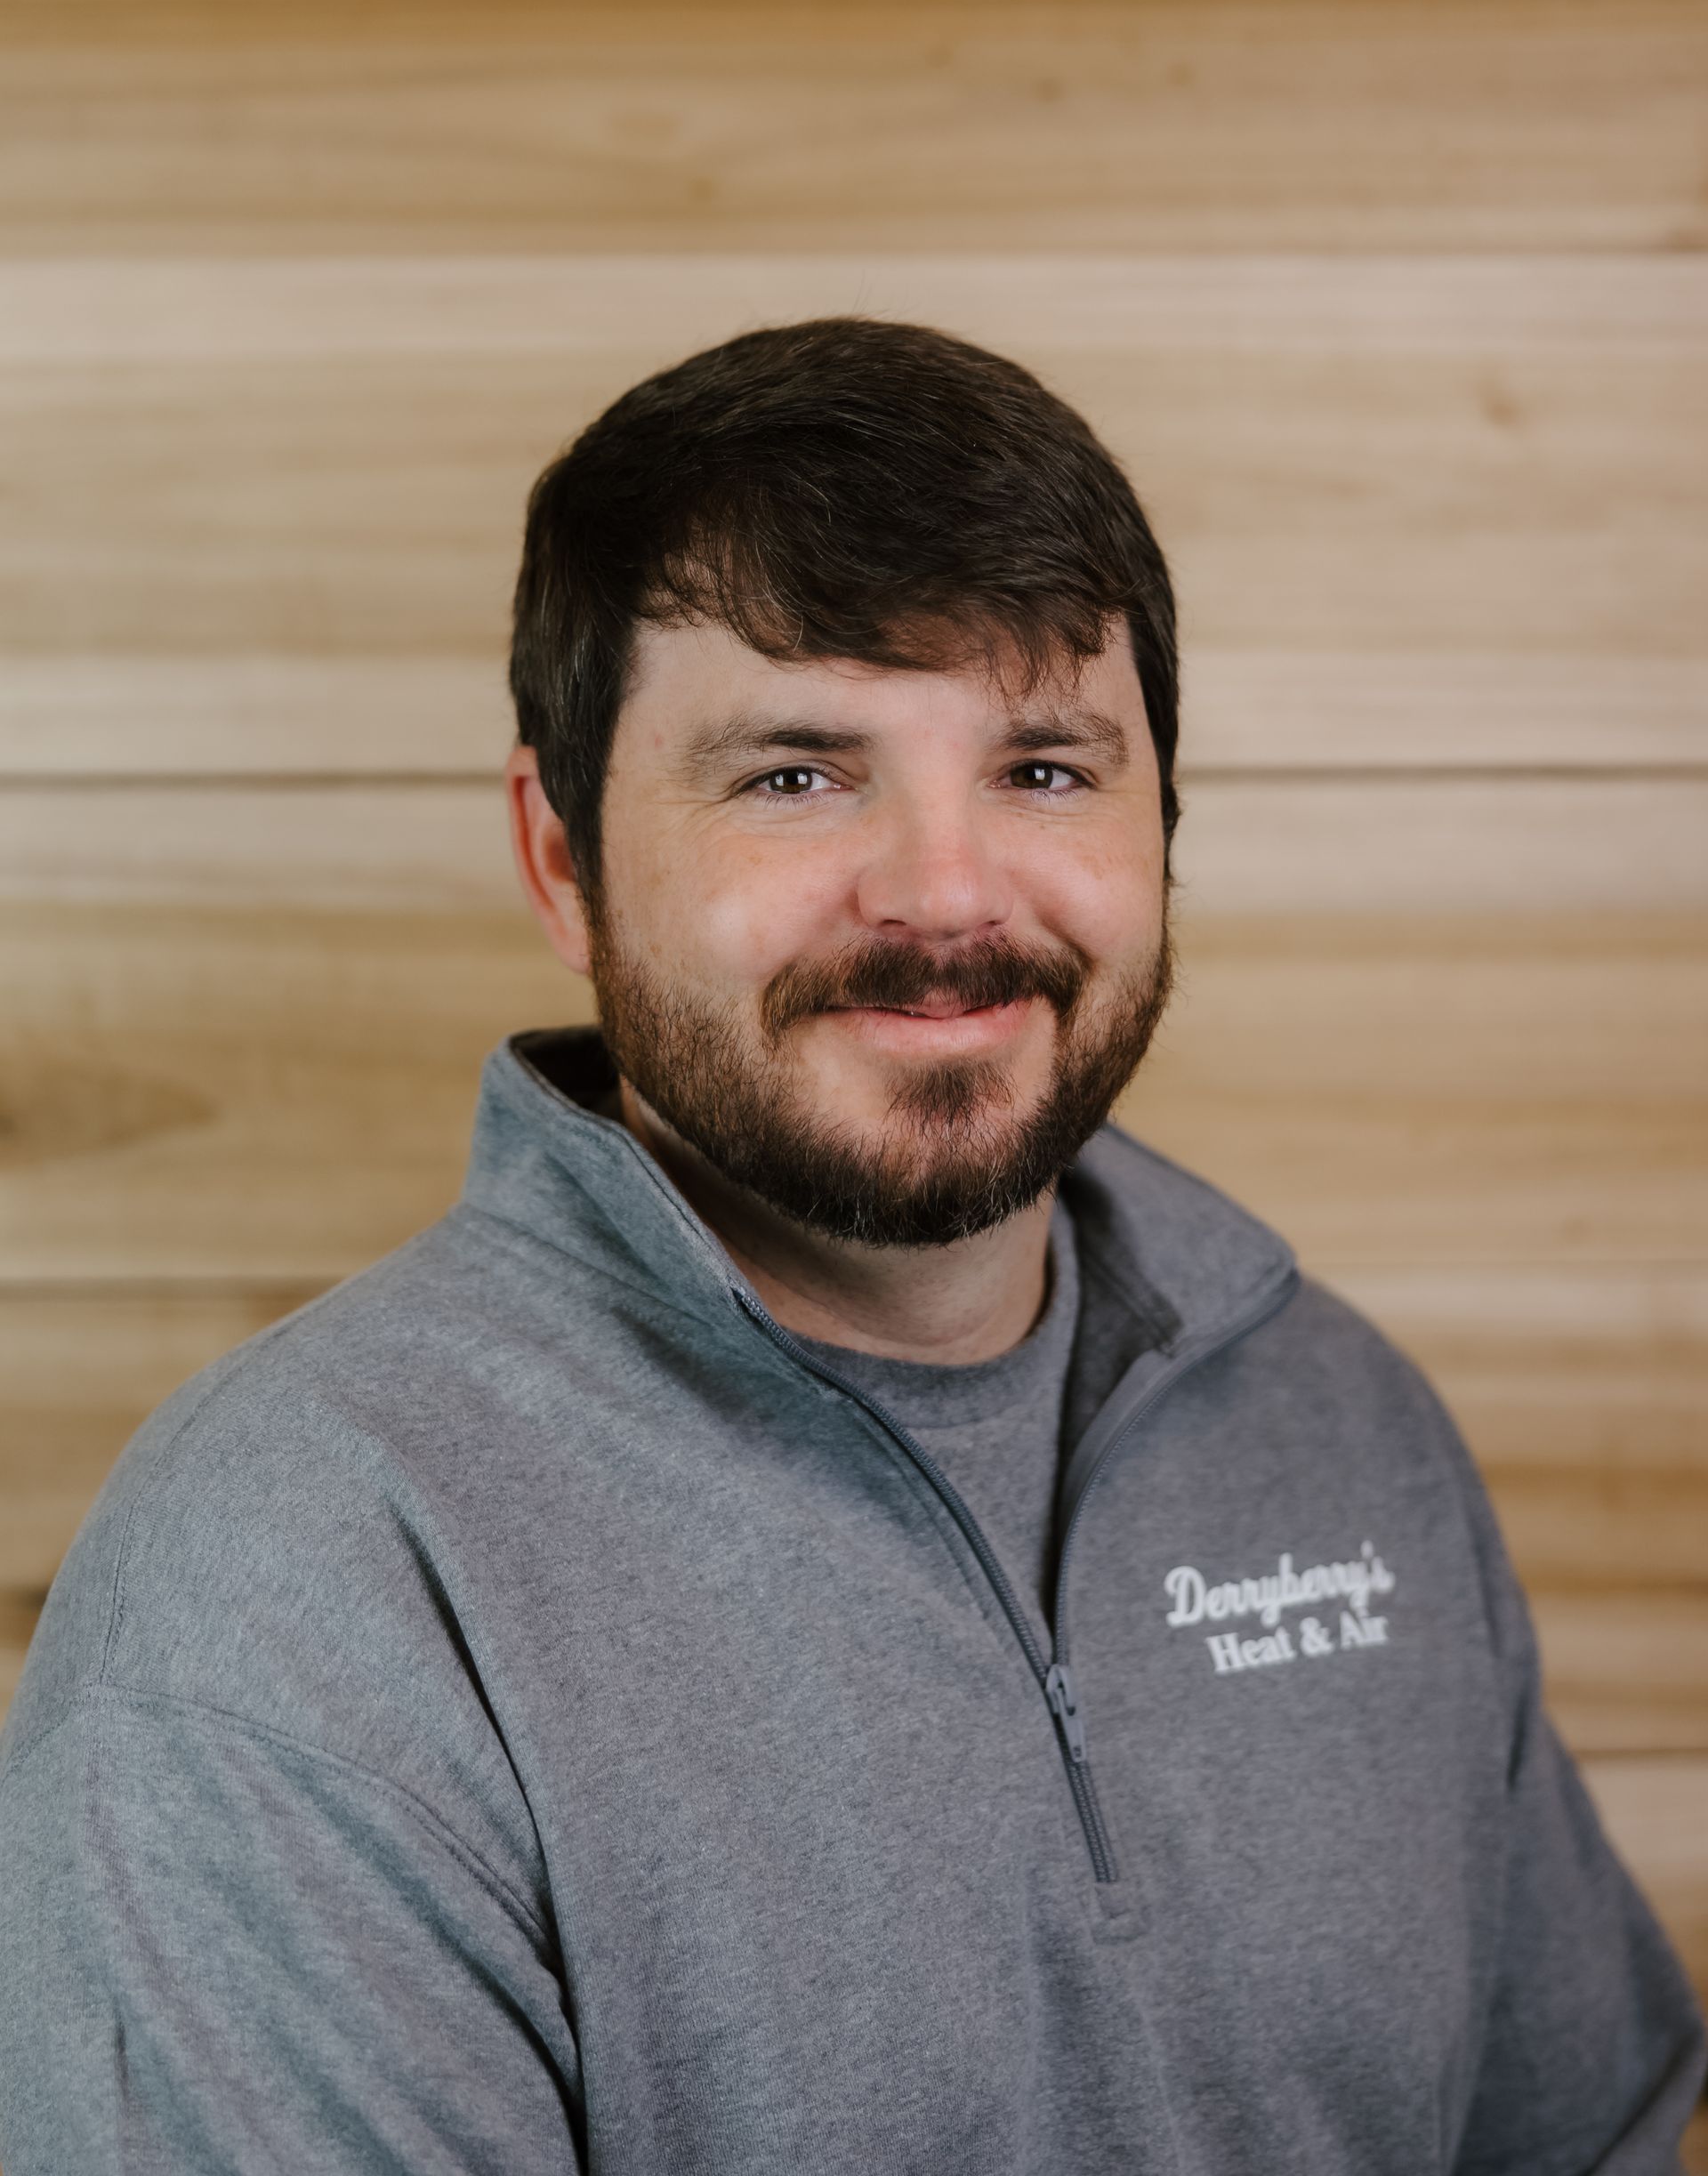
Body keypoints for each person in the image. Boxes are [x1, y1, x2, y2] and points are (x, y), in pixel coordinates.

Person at [0, 318, 1700, 2174]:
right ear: (562, 857)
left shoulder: (1342, 1419)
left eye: (1046, 768)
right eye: (797, 773)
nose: (946, 892)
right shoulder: (300, 1585)